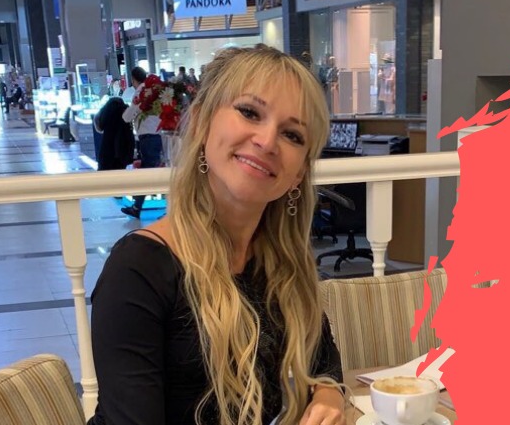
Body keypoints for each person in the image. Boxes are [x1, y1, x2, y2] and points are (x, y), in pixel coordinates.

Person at [88, 45, 346, 425]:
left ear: (299, 174)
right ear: (202, 122)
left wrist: (329, 395)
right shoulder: (138, 271)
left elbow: (323, 359)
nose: (267, 141)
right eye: (250, 112)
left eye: (292, 135)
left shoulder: (280, 262)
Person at [120, 66, 163, 219]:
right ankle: (137, 206)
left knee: (148, 174)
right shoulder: (155, 90)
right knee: (149, 171)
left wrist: (125, 114)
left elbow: (128, 116)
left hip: (148, 137)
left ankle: (138, 207)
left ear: (133, 79)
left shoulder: (142, 92)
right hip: (156, 135)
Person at [94, 97, 135, 171]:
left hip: (107, 151)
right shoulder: (125, 111)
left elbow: (99, 126)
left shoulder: (106, 112)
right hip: (122, 151)